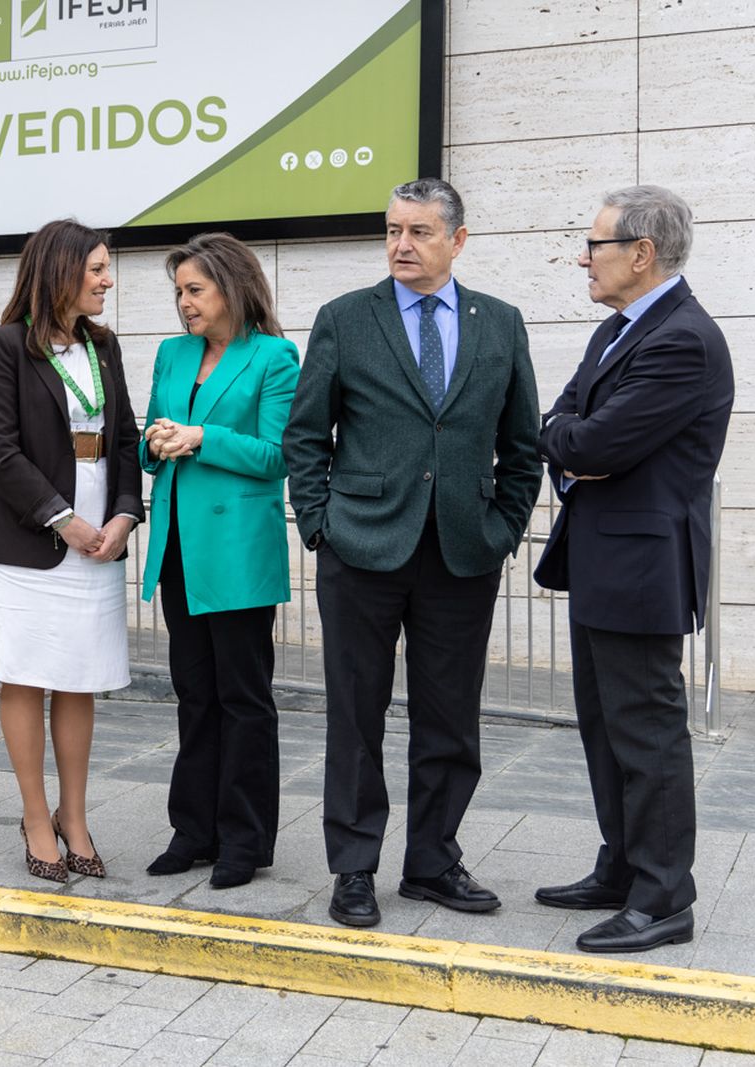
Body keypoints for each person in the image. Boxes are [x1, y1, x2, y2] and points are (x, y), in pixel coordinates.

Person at [284, 178, 542, 927]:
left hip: (463, 551)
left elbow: (521, 445)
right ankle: (354, 867)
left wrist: (503, 529)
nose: (402, 244)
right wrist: (320, 524)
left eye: (420, 232)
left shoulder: (500, 323)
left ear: (457, 240)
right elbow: (307, 435)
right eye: (394, 229)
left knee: (451, 717)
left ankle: (433, 861)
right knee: (355, 715)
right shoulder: (344, 318)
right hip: (361, 547)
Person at [532, 186, 732, 954]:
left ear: (641, 253)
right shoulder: (620, 330)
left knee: (646, 735)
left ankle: (663, 896)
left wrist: (575, 444)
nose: (585, 257)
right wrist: (573, 442)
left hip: (643, 568)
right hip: (604, 562)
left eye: (596, 245)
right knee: (605, 729)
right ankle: (620, 866)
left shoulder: (682, 339)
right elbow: (562, 421)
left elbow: (593, 444)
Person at [0, 219, 142, 883]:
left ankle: (76, 816)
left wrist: (125, 514)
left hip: (101, 539)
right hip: (33, 543)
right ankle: (36, 816)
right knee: (26, 673)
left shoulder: (104, 346)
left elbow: (123, 438)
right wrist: (62, 518)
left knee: (80, 675)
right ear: (62, 271)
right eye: (97, 268)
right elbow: (0, 449)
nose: (107, 280)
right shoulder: (8, 345)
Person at [139, 233, 301, 890]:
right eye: (178, 291)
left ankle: (245, 837)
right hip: (178, 545)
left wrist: (200, 436)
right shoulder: (171, 354)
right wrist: (154, 440)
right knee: (194, 693)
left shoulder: (275, 356)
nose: (183, 303)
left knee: (243, 695)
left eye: (194, 289)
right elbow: (150, 442)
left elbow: (275, 455)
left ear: (232, 287)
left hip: (236, 552)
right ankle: (192, 829)